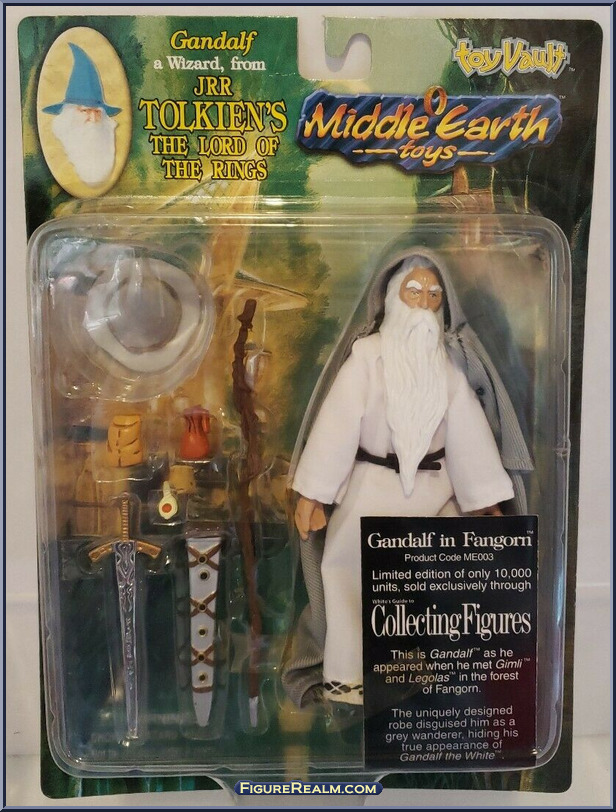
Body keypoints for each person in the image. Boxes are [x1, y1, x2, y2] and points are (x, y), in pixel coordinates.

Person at [283, 248, 533, 708]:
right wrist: (313, 494)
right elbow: (337, 426)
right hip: (368, 492)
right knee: (346, 570)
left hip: (435, 494)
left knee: (439, 585)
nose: (423, 303)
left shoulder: (448, 368)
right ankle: (352, 680)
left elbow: (469, 437)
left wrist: (485, 501)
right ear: (391, 297)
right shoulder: (366, 358)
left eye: (433, 295)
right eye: (413, 291)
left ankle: (433, 680)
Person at [43, 43, 121, 186]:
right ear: (69, 115)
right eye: (85, 111)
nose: (93, 119)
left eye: (97, 112)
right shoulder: (52, 158)